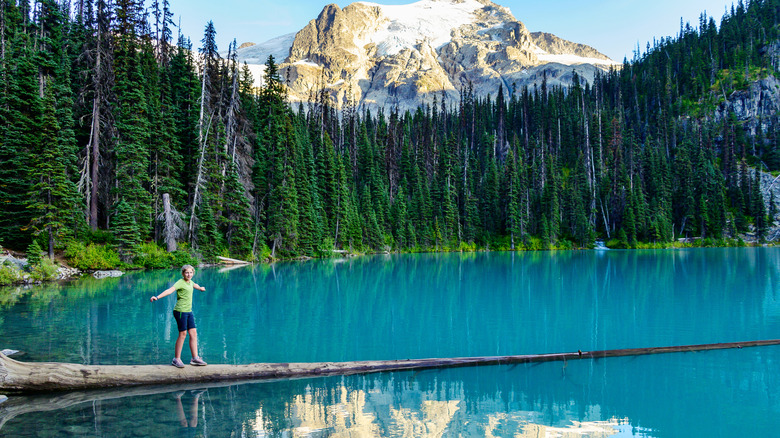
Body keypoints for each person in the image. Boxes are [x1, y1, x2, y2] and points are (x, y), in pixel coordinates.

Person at [151, 265, 208, 368]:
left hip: (188, 311)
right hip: (180, 311)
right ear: (183, 274)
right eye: (186, 273)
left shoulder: (191, 282)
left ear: (193, 273)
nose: (189, 274)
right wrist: (157, 297)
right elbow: (169, 290)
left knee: (193, 333)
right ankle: (176, 359)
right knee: (183, 334)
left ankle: (195, 358)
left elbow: (195, 285)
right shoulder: (180, 282)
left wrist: (200, 288)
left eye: (190, 273)